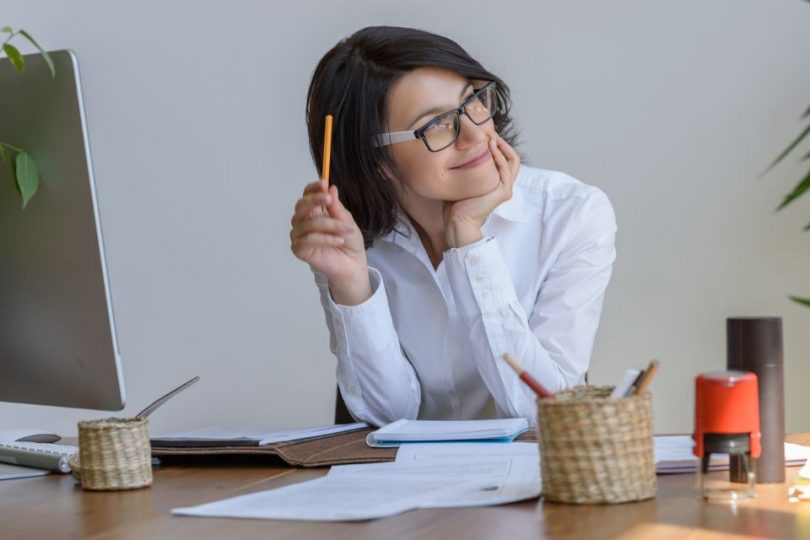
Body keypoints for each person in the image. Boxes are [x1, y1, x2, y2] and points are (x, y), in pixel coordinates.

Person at [290, 26, 617, 427]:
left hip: (535, 478)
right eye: (437, 124)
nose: (476, 133)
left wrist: (469, 242)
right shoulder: (346, 236)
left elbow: (546, 410)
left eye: (474, 101)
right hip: (404, 483)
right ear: (375, 159)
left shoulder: (571, 214)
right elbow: (389, 417)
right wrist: (351, 284)